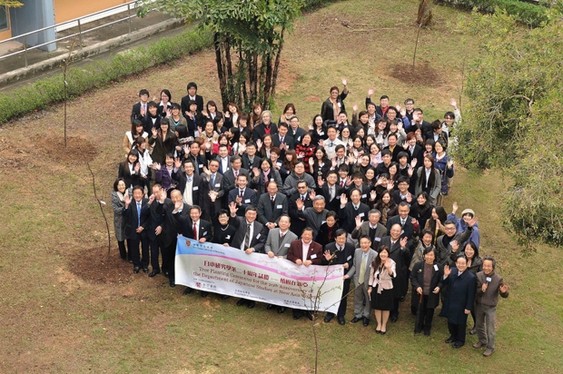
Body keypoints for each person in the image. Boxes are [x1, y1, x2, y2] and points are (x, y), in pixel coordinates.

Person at [229, 204, 266, 308]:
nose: (251, 216)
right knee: (240, 276)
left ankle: (251, 299)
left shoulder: (260, 226)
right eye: (249, 214)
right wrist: (232, 213)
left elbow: (262, 242)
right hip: (238, 254)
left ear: (256, 215)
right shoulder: (239, 221)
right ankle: (242, 297)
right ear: (245, 214)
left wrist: (253, 249)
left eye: (253, 214)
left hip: (250, 256)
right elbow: (233, 220)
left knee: (250, 278)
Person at [473, 257, 510, 357]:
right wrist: (481, 289)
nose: (486, 268)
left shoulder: (498, 279)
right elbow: (474, 292)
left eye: (489, 266)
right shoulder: (478, 275)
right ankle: (482, 341)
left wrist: (504, 292)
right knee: (479, 325)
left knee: (490, 328)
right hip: (479, 305)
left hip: (490, 307)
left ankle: (490, 347)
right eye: (485, 265)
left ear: (493, 267)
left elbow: (504, 294)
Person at [287, 227, 323, 320]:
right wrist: (295, 259)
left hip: (310, 275)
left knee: (309, 292)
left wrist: (311, 261)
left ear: (312, 236)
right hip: (297, 273)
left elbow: (320, 260)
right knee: (297, 291)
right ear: (302, 234)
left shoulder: (318, 246)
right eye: (305, 234)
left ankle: (309, 311)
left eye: (309, 235)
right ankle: (297, 311)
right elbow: (289, 255)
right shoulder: (294, 244)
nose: (307, 236)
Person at [442, 256, 476, 348]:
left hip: (462, 304)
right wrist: (445, 276)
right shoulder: (452, 271)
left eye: (463, 263)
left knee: (460, 323)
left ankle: (460, 340)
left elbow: (471, 294)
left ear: (466, 264)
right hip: (450, 301)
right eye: (459, 263)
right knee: (450, 321)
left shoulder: (471, 277)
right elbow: (444, 284)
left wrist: (468, 307)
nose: (460, 265)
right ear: (456, 263)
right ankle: (453, 336)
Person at [322, 229, 355, 325]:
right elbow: (324, 263)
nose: (341, 241)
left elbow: (353, 260)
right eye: (339, 239)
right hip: (332, 277)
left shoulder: (350, 247)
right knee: (331, 294)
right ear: (335, 238)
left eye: (343, 238)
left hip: (345, 276)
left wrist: (348, 264)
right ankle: (330, 313)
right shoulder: (329, 247)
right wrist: (327, 260)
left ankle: (341, 315)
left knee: (343, 295)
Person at [411, 248, 443, 336]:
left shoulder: (439, 267)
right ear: (424, 256)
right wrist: (417, 286)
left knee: (429, 311)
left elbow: (441, 280)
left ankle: (427, 328)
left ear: (435, 257)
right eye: (427, 255)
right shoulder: (418, 265)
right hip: (420, 293)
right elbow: (413, 277)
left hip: (432, 294)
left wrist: (438, 287)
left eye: (431, 255)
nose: (429, 257)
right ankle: (418, 327)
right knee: (420, 310)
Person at [348, 236, 377, 326]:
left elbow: (375, 270)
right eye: (362, 243)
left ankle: (366, 316)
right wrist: (348, 275)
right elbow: (354, 266)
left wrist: (371, 284)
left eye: (366, 243)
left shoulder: (375, 254)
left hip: (368, 281)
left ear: (370, 243)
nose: (363, 245)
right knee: (358, 298)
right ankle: (358, 314)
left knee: (368, 299)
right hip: (358, 280)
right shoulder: (357, 252)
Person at [368, 246, 396, 334]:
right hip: (376, 286)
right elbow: (371, 276)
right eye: (381, 252)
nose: (383, 254)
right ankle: (378, 324)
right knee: (377, 307)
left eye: (385, 252)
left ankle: (384, 325)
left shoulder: (391, 262)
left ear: (388, 254)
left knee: (385, 308)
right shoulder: (375, 262)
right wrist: (370, 287)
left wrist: (388, 268)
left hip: (387, 287)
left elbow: (393, 275)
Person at [123, 185, 150, 273]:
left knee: (145, 248)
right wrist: (126, 206)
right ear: (133, 194)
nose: (137, 195)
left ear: (143, 194)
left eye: (139, 193)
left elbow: (150, 217)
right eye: (135, 193)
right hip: (133, 230)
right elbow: (126, 217)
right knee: (134, 248)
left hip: (144, 230)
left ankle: (145, 265)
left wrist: (143, 226)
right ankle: (137, 265)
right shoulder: (130, 203)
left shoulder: (147, 202)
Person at [111, 178, 129, 261]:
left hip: (129, 219)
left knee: (129, 237)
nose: (121, 186)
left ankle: (131, 255)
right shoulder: (114, 195)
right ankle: (123, 255)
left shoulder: (129, 192)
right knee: (120, 237)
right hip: (120, 220)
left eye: (123, 184)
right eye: (119, 185)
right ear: (116, 186)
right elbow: (116, 209)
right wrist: (125, 207)